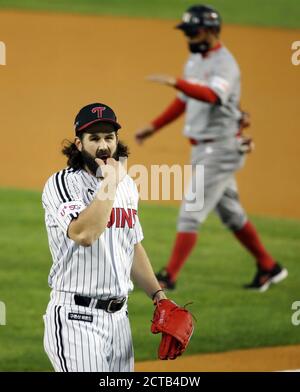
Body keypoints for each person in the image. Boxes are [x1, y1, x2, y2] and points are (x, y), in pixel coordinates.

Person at [135, 4, 287, 292]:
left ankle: (169, 277)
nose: (189, 38)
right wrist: (153, 127)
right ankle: (269, 266)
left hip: (220, 149)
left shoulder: (225, 64)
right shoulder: (195, 62)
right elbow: (184, 100)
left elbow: (212, 95)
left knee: (190, 212)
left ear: (212, 31)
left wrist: (175, 81)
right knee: (231, 213)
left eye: (193, 32)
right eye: (187, 33)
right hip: (205, 149)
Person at [42, 102, 168, 372]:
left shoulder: (127, 187)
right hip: (76, 320)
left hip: (119, 321)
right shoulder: (62, 184)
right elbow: (84, 233)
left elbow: (131, 245)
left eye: (109, 137)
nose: (103, 146)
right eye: (94, 138)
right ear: (79, 144)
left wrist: (159, 296)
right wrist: (110, 182)